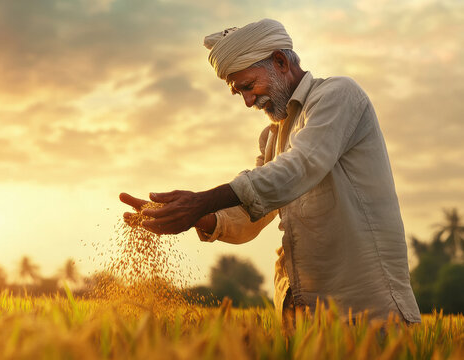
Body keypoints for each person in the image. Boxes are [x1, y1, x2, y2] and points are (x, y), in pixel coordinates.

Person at [120, 18, 421, 325]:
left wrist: (200, 201)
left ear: (279, 61)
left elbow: (299, 167)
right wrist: (195, 215)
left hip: (367, 311)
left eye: (249, 86)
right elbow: (252, 212)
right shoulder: (272, 137)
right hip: (301, 310)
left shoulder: (338, 96)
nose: (249, 101)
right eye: (240, 93)